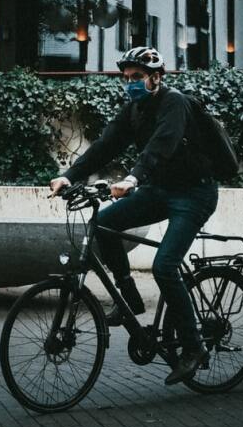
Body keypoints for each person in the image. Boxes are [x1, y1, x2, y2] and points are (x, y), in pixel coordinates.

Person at [49, 46, 218, 385]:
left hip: (194, 193)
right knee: (106, 223)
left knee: (165, 266)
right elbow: (105, 146)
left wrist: (132, 178)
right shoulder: (134, 110)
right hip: (159, 190)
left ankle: (194, 346)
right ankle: (130, 298)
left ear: (156, 78)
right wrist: (70, 175)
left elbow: (162, 144)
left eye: (137, 78)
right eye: (126, 79)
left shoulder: (175, 103)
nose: (131, 84)